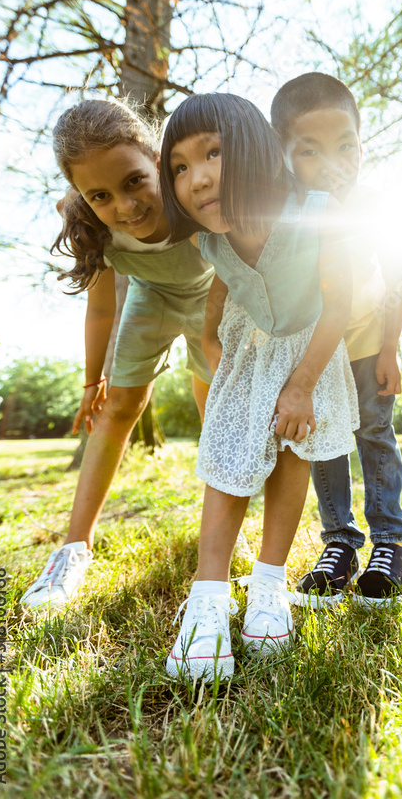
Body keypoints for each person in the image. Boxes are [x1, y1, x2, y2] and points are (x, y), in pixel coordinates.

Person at [159, 92, 359, 682]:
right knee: (228, 459)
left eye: (212, 153)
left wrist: (301, 385)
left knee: (292, 453)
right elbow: (224, 280)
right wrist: (210, 334)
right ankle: (209, 597)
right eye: (180, 167)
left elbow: (340, 304)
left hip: (310, 346)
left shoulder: (318, 210)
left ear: (253, 148)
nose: (196, 178)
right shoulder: (207, 236)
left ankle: (269, 583)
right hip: (248, 348)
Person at [20, 99, 214, 612]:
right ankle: (73, 549)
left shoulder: (192, 192)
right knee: (118, 408)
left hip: (215, 300)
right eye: (101, 194)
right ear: (83, 197)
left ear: (155, 156)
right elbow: (102, 311)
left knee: (213, 408)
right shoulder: (92, 226)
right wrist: (92, 382)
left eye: (133, 181)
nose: (126, 206)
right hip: (151, 299)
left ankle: (217, 532)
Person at [270, 73, 402, 607]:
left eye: (345, 146)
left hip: (370, 338)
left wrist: (392, 348)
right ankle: (340, 543)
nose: (333, 163)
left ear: (361, 144)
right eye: (311, 151)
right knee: (324, 442)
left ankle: (389, 543)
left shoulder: (374, 204)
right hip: (316, 349)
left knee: (375, 433)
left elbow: (398, 276)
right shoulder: (288, 214)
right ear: (284, 156)